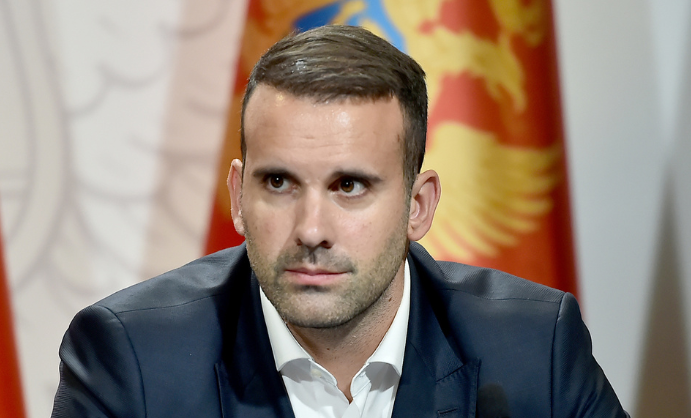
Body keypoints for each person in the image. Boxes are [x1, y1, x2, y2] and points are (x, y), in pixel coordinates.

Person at [51, 25, 628, 418]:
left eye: (348, 186)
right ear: (238, 197)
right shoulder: (135, 361)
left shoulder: (533, 352)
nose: (311, 230)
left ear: (419, 206)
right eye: (279, 183)